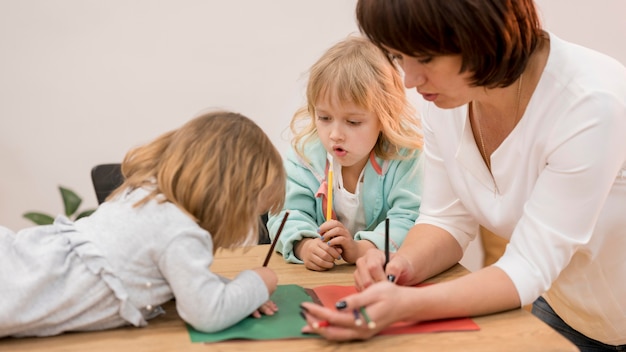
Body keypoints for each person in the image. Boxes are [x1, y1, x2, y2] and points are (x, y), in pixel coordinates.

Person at [299, 0, 626, 350]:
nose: (410, 80)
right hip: (568, 308)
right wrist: (401, 265)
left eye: (424, 58)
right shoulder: (446, 101)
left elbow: (529, 265)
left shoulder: (591, 102)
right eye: (398, 57)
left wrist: (407, 306)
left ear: (482, 33)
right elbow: (445, 219)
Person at [0, 110, 286, 337]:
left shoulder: (145, 193)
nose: (250, 223)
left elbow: (181, 280)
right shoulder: (180, 233)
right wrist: (258, 282)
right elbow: (208, 314)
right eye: (251, 211)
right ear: (229, 198)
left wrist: (238, 294)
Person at [267, 35, 424, 271]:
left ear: (384, 118)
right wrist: (305, 246)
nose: (335, 134)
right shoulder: (304, 156)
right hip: (319, 280)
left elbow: (409, 220)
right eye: (324, 118)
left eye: (352, 121)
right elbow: (286, 214)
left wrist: (362, 250)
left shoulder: (404, 159)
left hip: (382, 277)